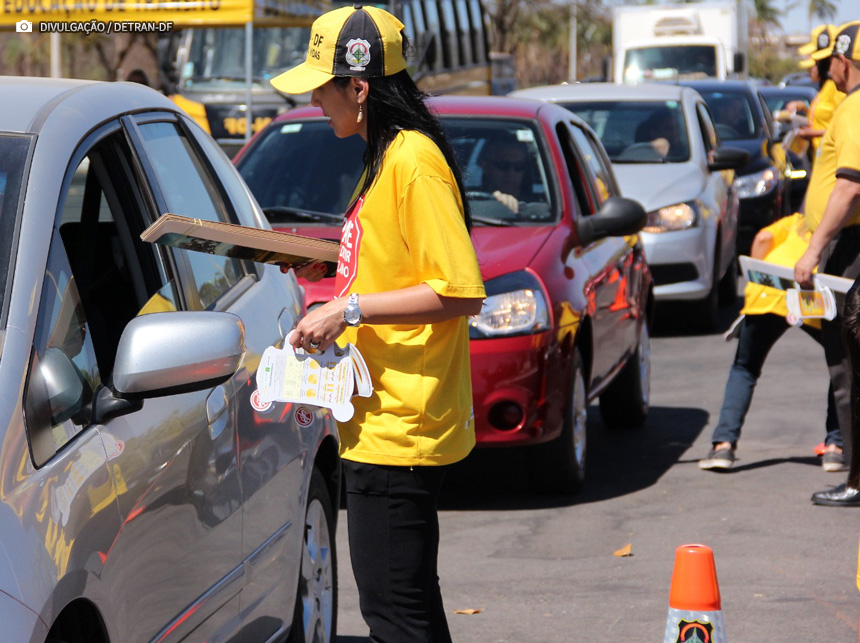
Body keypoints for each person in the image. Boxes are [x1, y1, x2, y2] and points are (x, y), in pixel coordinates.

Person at [270, 5, 486, 640]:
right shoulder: (387, 154)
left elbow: (459, 290)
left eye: (322, 83)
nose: (314, 97)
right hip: (381, 419)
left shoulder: (411, 161)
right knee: (409, 607)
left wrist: (348, 308)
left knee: (395, 617)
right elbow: (391, 266)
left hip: (400, 427)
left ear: (359, 88)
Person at [698, 213, 843, 471]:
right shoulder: (837, 226)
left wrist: (757, 275)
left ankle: (723, 447)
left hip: (769, 293)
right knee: (842, 367)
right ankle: (835, 448)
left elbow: (764, 238)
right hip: (809, 295)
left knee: (745, 367)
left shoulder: (795, 221)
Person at [792, 21, 860, 507]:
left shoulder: (855, 107)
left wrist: (814, 250)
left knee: (849, 372)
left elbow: (851, 185)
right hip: (850, 246)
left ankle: (857, 478)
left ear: (844, 61)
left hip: (851, 252)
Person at [477, 133, 529, 213]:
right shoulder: (470, 202)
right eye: (503, 165)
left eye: (519, 166)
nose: (512, 172)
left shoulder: (545, 206)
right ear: (486, 167)